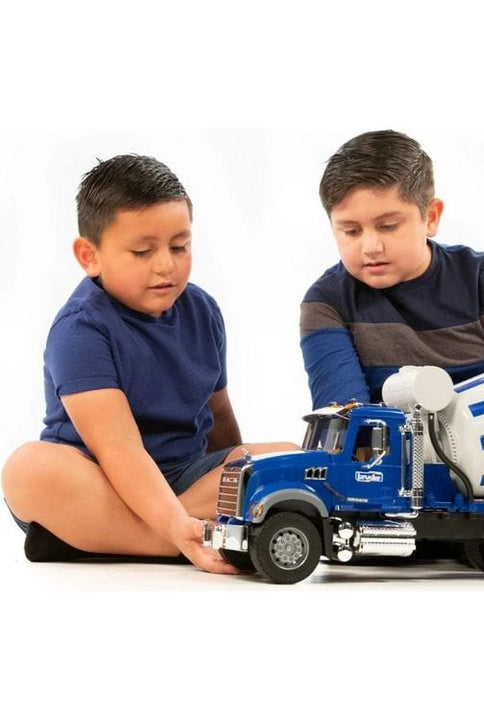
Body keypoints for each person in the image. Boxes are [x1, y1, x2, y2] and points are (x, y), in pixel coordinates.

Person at [1, 154, 296, 574]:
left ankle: (110, 539)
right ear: (89, 256)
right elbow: (117, 448)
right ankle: (173, 539)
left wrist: (240, 469)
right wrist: (174, 523)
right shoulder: (80, 329)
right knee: (28, 468)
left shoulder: (203, 310)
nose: (166, 265)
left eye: (179, 247)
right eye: (142, 251)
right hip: (99, 480)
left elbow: (218, 412)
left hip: (185, 477)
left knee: (287, 459)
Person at [300, 130, 484, 410]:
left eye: (388, 226)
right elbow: (346, 421)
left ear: (430, 217)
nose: (371, 247)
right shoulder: (327, 302)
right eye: (351, 231)